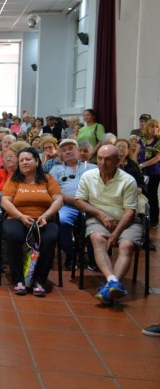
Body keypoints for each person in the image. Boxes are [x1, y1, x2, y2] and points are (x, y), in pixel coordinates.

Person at [75, 145, 143, 305]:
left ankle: (109, 287)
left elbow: (130, 212)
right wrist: (101, 214)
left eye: (107, 159)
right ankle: (112, 282)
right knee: (98, 238)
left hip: (126, 222)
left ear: (118, 161)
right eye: (99, 158)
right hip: (98, 219)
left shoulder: (127, 180)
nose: (102, 163)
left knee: (126, 245)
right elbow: (80, 201)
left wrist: (116, 234)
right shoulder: (88, 176)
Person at [0, 147, 63, 297]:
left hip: (44, 219)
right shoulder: (14, 180)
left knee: (49, 238)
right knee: (14, 235)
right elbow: (5, 201)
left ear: (37, 161)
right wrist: (21, 216)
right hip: (17, 217)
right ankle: (19, 280)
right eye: (21, 160)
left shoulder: (48, 179)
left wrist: (47, 215)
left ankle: (39, 281)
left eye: (28, 159)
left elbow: (58, 199)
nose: (24, 163)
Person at [49, 139, 95, 270]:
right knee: (61, 221)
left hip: (90, 205)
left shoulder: (92, 167)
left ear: (78, 151)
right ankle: (72, 252)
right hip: (66, 206)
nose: (68, 152)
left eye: (71, 148)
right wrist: (73, 200)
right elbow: (53, 191)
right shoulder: (56, 169)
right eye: (64, 150)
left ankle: (93, 257)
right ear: (60, 155)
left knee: (98, 221)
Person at [137, 118, 160, 228]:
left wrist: (142, 165)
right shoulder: (141, 140)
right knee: (142, 194)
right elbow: (135, 153)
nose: (154, 129)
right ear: (147, 127)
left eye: (157, 127)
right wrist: (136, 166)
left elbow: (157, 158)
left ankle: (154, 220)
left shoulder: (159, 141)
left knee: (152, 195)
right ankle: (142, 217)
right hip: (141, 171)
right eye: (152, 126)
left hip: (154, 172)